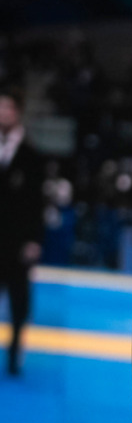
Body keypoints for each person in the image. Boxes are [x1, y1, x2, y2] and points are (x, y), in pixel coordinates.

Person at [0, 85, 45, 376]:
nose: (2, 113)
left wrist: (33, 239)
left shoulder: (31, 156)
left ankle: (15, 351)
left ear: (17, 112)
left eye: (8, 107)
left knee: (18, 299)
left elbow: (36, 202)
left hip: (17, 240)